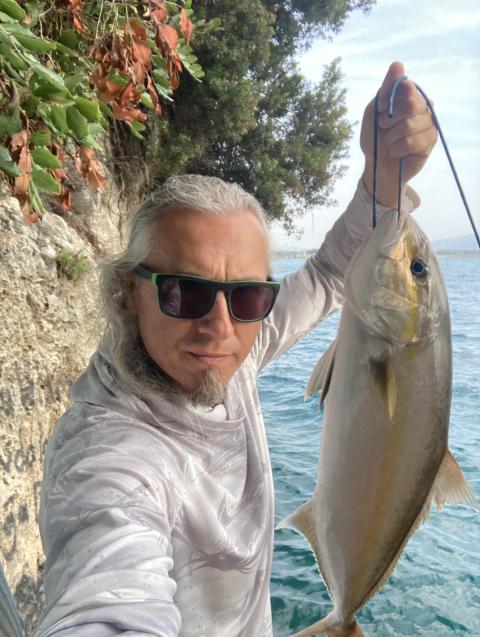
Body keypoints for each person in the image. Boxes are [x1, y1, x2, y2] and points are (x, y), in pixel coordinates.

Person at [35, 62, 437, 637]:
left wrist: (382, 180)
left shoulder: (232, 353)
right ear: (128, 291)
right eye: (184, 292)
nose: (220, 326)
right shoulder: (109, 455)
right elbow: (107, 593)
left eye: (249, 296)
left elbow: (328, 274)